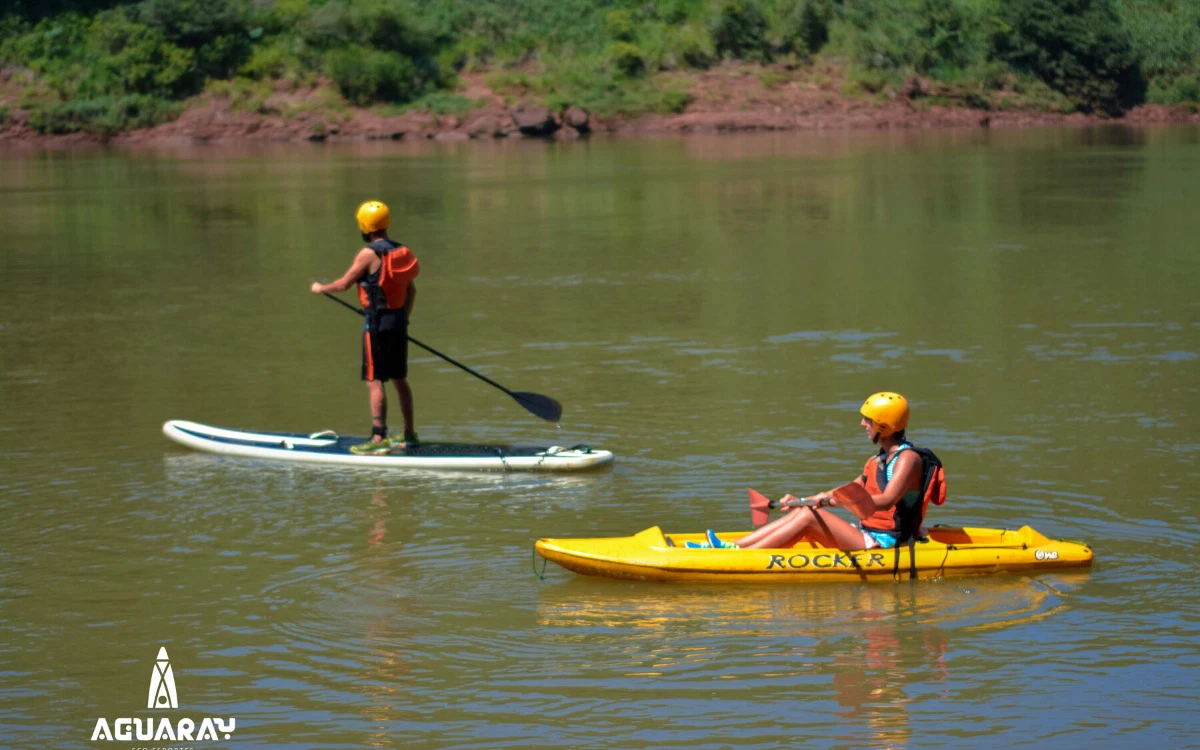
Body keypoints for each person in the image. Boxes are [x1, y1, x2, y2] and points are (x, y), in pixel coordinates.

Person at [696, 392, 929, 550]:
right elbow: (849, 490)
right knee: (804, 510)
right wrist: (802, 501)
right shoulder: (879, 459)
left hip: (888, 542)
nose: (862, 424)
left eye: (868, 420)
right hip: (868, 532)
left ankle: (741, 557)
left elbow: (887, 501)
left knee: (809, 516)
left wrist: (832, 502)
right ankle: (734, 546)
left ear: (883, 425)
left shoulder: (908, 459)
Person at [311, 200, 420, 455]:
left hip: (377, 324)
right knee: (399, 379)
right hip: (398, 321)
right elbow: (412, 291)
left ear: (364, 226)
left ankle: (378, 439)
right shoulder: (403, 251)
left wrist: (320, 288)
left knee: (374, 380)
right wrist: (402, 319)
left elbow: (343, 285)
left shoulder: (368, 254)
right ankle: (409, 435)